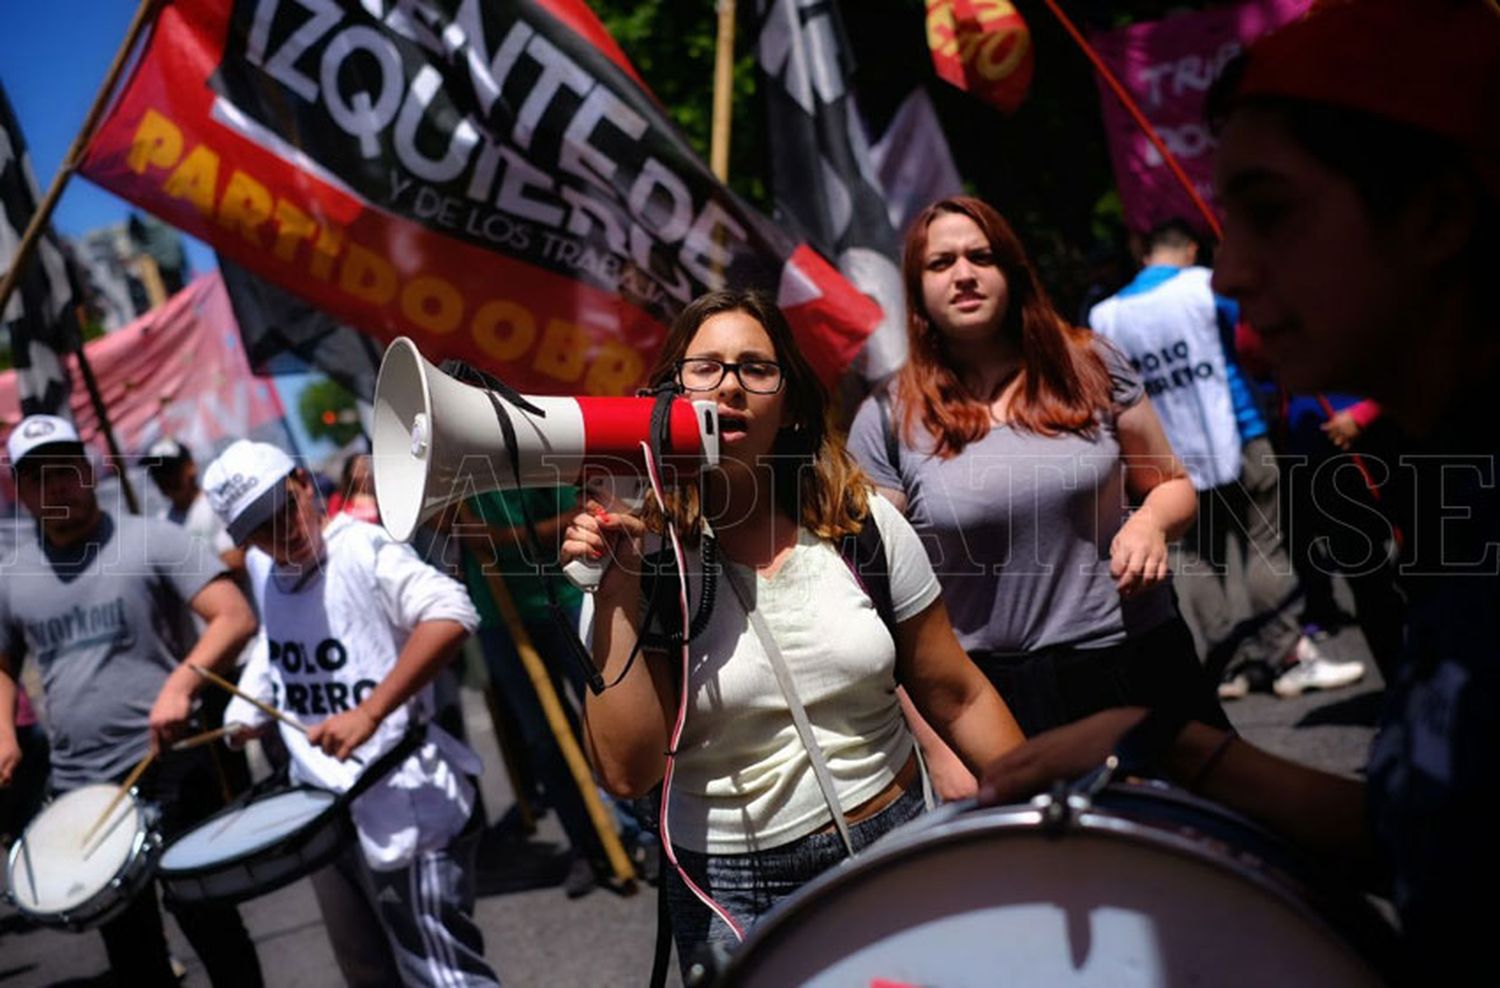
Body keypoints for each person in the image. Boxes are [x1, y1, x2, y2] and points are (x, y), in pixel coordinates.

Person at [978, 1, 1499, 979]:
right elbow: (1432, 835)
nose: (1233, 276)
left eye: (1272, 211)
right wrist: (1165, 746)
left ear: (1436, 215)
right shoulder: (1450, 484)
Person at [561, 289, 1023, 962]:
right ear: (666, 398)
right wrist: (617, 586)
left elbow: (959, 693)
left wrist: (1054, 810)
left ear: (791, 404)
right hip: (733, 893)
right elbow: (627, 772)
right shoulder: (638, 558)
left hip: (892, 849)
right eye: (705, 368)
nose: (730, 387)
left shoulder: (860, 527)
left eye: (756, 367)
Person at [847, 196, 1228, 794]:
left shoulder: (1091, 363)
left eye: (982, 256)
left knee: (1197, 859)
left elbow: (1174, 485)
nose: (964, 274)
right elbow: (875, 601)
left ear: (1012, 270)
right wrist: (936, 743)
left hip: (1136, 663)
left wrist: (1150, 523)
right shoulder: (888, 416)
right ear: (917, 290)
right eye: (941, 263)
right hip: (991, 699)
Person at [203, 439, 500, 988]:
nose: (282, 531)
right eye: (260, 527)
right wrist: (250, 702)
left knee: (444, 976)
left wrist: (370, 711)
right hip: (320, 805)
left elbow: (452, 612)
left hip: (402, 798)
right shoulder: (268, 572)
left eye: (283, 506)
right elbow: (276, 647)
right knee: (367, 973)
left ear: (303, 482)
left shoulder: (363, 546)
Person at [0, 414, 264, 986]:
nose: (57, 486)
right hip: (83, 790)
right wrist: (3, 736)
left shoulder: (152, 539)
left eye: (67, 470)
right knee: (133, 955)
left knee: (214, 929)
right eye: (39, 477)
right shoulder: (12, 575)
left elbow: (234, 617)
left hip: (175, 769)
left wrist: (181, 685)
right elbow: (3, 665)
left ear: (89, 471)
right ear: (19, 490)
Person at [1088, 217, 1365, 699]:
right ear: (1191, 249)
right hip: (1238, 433)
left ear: (1145, 253)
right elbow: (1255, 348)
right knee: (1265, 546)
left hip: (1166, 456)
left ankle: (1229, 664)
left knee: (1196, 556)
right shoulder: (1204, 286)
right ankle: (1286, 656)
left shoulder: (1106, 316)